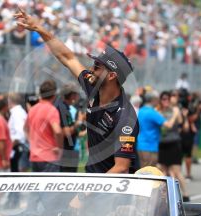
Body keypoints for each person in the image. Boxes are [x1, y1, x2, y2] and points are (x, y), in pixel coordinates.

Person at [16, 9, 138, 173]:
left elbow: (121, 168)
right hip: (94, 183)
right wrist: (39, 28)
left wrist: (88, 192)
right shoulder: (93, 86)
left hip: (112, 193)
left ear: (111, 76)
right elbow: (68, 57)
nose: (91, 69)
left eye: (97, 66)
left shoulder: (125, 116)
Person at [24, 80, 63, 172]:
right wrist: (59, 148)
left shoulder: (32, 109)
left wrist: (32, 142)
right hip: (49, 157)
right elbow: (57, 131)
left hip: (35, 156)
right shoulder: (51, 110)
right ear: (54, 95)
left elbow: (25, 129)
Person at [156, 91, 189, 201]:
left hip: (174, 143)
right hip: (162, 144)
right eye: (163, 99)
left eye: (167, 99)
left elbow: (182, 124)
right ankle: (166, 196)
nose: (165, 101)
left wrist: (177, 113)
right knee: (163, 171)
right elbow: (161, 125)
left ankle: (185, 194)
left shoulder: (175, 110)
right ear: (160, 100)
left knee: (176, 171)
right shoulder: (157, 111)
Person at [137, 91, 178, 167]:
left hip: (140, 145)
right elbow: (168, 125)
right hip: (150, 147)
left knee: (143, 170)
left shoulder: (141, 111)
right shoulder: (152, 113)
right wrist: (175, 114)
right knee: (150, 172)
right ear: (153, 100)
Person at [55, 83, 83, 172]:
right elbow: (66, 132)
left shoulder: (63, 107)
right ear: (72, 95)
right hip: (66, 152)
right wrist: (79, 122)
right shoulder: (63, 109)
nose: (78, 96)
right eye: (76, 93)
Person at [8, 92, 28, 172]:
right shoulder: (19, 112)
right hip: (18, 147)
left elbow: (20, 134)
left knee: (18, 175)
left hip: (18, 148)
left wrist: (10, 148)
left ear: (10, 101)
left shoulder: (17, 113)